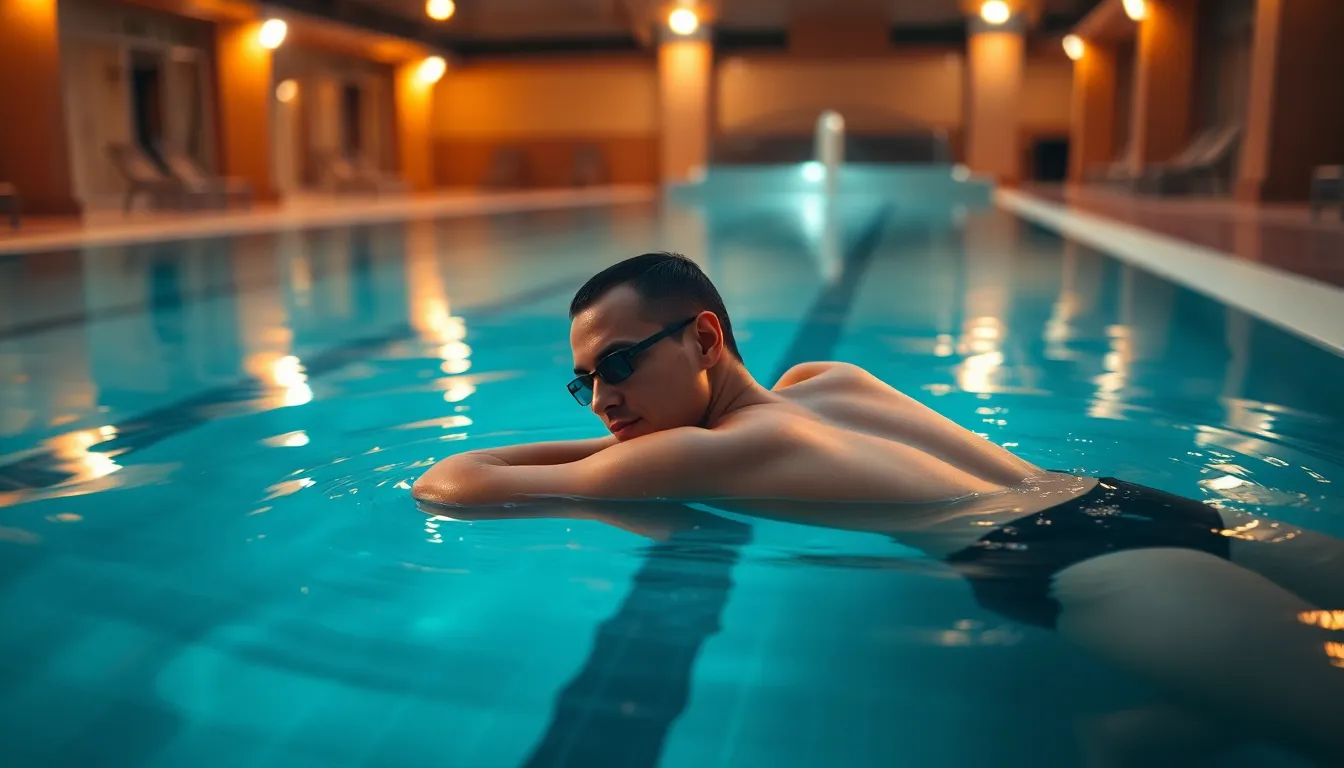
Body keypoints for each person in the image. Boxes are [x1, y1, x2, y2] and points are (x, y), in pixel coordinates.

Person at [414, 252, 1344, 766]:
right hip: (1129, 503)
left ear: (704, 337)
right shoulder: (828, 380)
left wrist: (618, 449)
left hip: (1088, 569)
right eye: (584, 385)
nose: (603, 398)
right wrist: (628, 433)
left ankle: (1156, 735)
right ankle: (1167, 729)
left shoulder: (705, 455)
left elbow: (453, 485)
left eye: (617, 365)